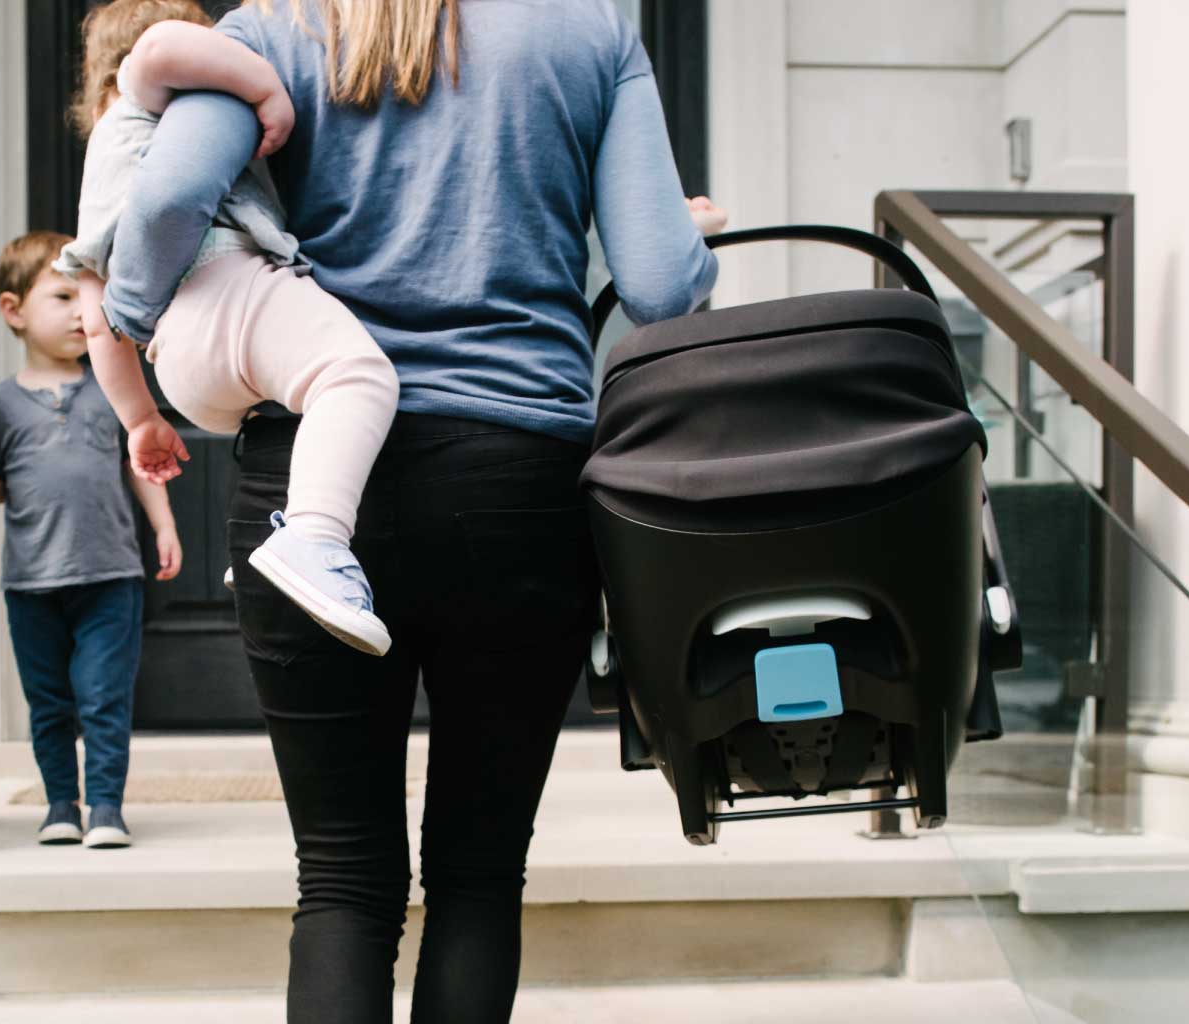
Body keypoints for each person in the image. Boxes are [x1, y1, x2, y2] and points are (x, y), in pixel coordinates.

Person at [100, 0, 723, 1019]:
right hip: (518, 480)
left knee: (342, 882)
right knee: (477, 878)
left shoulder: (273, 25)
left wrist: (129, 319)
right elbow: (658, 285)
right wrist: (696, 243)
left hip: (313, 482)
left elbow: (167, 192)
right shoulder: (590, 30)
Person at [56, 0, 401, 657]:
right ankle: (316, 540)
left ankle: (264, 554)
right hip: (227, 288)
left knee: (306, 408)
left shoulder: (101, 167)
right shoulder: (143, 100)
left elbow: (101, 322)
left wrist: (140, 420)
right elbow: (159, 51)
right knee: (357, 376)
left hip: (178, 362)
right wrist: (266, 86)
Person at [0, 230, 182, 849]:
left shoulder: (114, 388)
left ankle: (105, 807)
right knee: (49, 700)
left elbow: (143, 463)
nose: (84, 313)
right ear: (14, 311)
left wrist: (162, 525)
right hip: (31, 581)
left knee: (105, 696)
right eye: (63, 297)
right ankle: (61, 804)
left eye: (89, 298)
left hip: (110, 572)